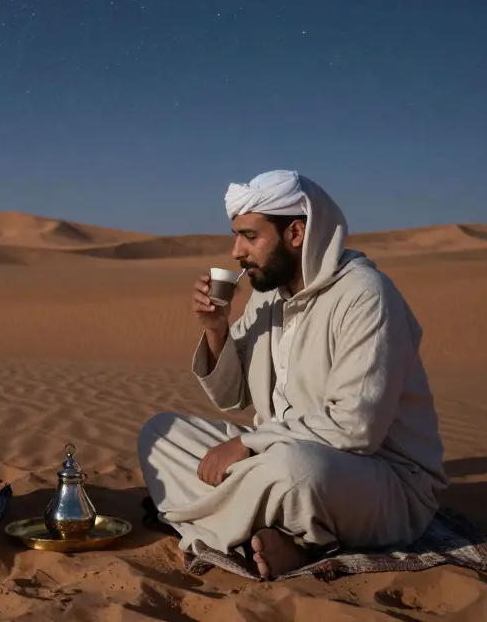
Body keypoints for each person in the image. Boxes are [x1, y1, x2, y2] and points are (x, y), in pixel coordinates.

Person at [137, 170, 448, 580]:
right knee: (160, 434)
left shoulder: (365, 295)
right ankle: (261, 529)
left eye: (250, 236)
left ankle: (213, 522)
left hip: (377, 480)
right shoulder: (267, 297)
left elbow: (356, 428)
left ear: (296, 233)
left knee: (296, 470)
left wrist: (249, 443)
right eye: (236, 236)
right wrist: (216, 330)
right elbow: (232, 396)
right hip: (274, 453)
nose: (236, 251)